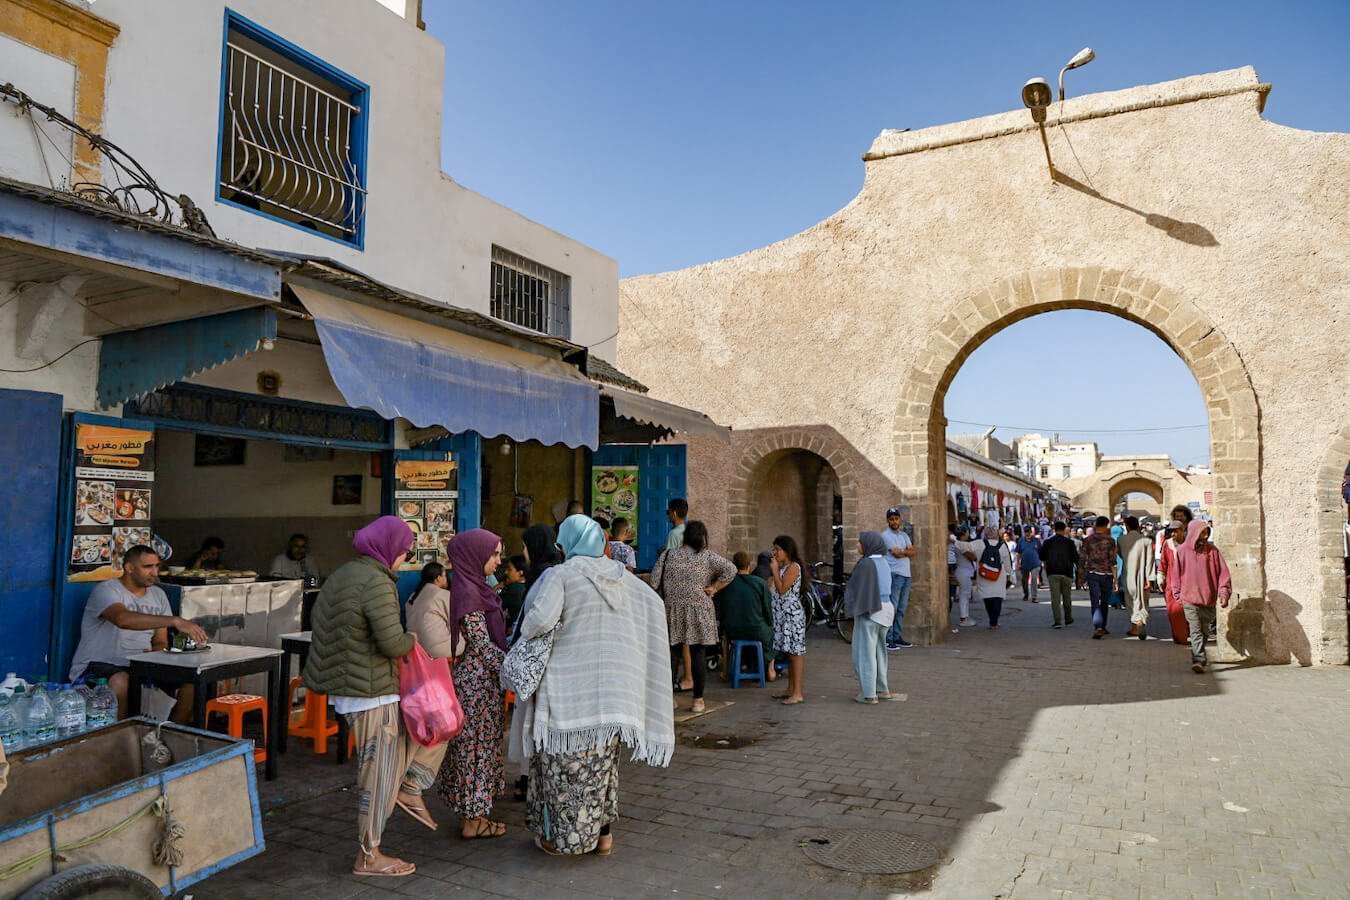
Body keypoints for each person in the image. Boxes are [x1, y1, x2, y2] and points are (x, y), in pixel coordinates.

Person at [512, 515, 674, 856]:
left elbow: (538, 622)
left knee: (565, 772)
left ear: (567, 544)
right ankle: (603, 836)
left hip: (571, 696)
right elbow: (654, 606)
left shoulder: (562, 577)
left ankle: (565, 842)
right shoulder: (627, 582)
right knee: (602, 770)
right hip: (615, 698)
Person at [303, 516, 433, 878]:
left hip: (350, 689)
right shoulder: (376, 582)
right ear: (388, 547)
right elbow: (392, 642)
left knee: (419, 741)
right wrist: (414, 640)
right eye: (405, 549)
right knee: (377, 775)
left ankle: (408, 787)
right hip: (371, 693)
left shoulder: (343, 574)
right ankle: (368, 854)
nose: (406, 556)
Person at [68, 545, 209, 722]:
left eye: (157, 566)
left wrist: (154, 654)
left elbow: (160, 641)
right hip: (97, 665)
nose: (154, 572)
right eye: (147, 567)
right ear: (129, 568)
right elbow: (122, 619)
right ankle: (121, 740)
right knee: (121, 680)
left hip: (139, 666)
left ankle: (166, 738)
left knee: (191, 682)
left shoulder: (158, 595)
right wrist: (175, 620)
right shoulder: (107, 590)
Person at [435, 529, 508, 840]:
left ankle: (475, 815)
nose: (499, 561)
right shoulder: (469, 593)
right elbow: (480, 643)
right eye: (494, 554)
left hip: (482, 681)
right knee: (476, 749)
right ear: (475, 555)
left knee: (478, 748)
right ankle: (473, 820)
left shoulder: (476, 587)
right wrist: (513, 669)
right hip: (478, 683)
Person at [651, 521, 736, 714]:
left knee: (672, 654)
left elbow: (654, 581)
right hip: (699, 610)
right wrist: (714, 587)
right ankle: (698, 700)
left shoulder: (668, 555)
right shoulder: (707, 556)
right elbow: (731, 570)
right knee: (698, 654)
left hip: (673, 610)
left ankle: (669, 698)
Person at [1169, 520, 1232, 674]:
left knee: (1204, 631)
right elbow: (1176, 576)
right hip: (1189, 599)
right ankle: (1198, 659)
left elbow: (1223, 574)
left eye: (1206, 533)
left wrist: (1223, 593)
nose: (1204, 536)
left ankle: (1199, 653)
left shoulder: (1213, 552)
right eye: (1201, 532)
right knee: (1195, 630)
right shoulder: (1183, 551)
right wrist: (1178, 596)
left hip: (1208, 599)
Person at [844, 532, 896, 703]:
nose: (858, 545)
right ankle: (882, 689)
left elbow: (859, 589)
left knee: (864, 654)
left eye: (860, 542)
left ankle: (868, 694)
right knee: (880, 652)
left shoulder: (866, 563)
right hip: (887, 610)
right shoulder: (885, 562)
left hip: (872, 611)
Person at [714, 551, 777, 679]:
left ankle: (741, 664)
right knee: (772, 633)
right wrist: (770, 624)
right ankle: (770, 668)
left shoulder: (726, 584)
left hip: (732, 631)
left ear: (734, 566)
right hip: (756, 630)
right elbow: (768, 610)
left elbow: (719, 609)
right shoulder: (760, 583)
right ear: (749, 565)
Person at [767, 534, 809, 705]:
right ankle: (790, 688)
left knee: (795, 654)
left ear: (787, 551)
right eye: (774, 549)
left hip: (792, 616)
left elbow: (783, 589)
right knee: (789, 654)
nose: (774, 553)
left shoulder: (794, 567)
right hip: (783, 616)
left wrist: (775, 571)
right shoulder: (785, 567)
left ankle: (797, 692)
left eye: (777, 549)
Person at [881, 508, 916, 651]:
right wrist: (905, 552)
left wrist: (904, 552)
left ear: (899, 519)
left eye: (896, 518)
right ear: (888, 521)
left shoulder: (903, 535)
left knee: (901, 608)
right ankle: (888, 639)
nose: (894, 521)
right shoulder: (885, 536)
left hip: (906, 575)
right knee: (892, 608)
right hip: (894, 574)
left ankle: (897, 636)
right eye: (891, 519)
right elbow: (897, 554)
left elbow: (913, 552)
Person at [1081, 517, 1119, 639]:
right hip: (1107, 575)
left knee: (1094, 601)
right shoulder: (1111, 541)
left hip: (1092, 574)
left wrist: (1080, 576)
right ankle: (1103, 626)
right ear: (1107, 525)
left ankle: (1098, 627)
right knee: (1104, 602)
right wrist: (1116, 579)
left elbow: (1082, 559)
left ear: (1096, 525)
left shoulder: (1088, 540)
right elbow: (1113, 561)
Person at [1118, 516, 1156, 639]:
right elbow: (1150, 561)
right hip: (1143, 577)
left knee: (1130, 601)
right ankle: (1141, 621)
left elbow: (1120, 555)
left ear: (1127, 526)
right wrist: (1150, 579)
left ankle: (1136, 625)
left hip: (1128, 575)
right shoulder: (1147, 541)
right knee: (1143, 602)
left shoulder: (1121, 540)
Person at [1158, 516, 1192, 644]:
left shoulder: (1190, 544)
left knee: (1186, 612)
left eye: (1176, 531)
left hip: (1187, 583)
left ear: (1182, 531)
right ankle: (1179, 636)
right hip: (1172, 583)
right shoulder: (1168, 544)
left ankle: (1183, 636)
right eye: (1171, 531)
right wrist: (1161, 577)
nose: (1173, 534)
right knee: (1174, 611)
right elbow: (1163, 562)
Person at [973, 526, 1014, 629]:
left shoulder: (980, 544)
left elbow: (969, 550)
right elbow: (1007, 562)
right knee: (997, 599)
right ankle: (994, 622)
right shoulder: (1002, 545)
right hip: (999, 575)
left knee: (987, 599)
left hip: (984, 575)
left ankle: (993, 621)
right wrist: (1010, 574)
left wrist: (954, 541)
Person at [1039, 522, 1078, 629]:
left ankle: (1057, 621)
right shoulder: (1069, 542)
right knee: (1067, 597)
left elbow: (1041, 556)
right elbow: (1075, 558)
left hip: (1052, 572)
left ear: (1054, 529)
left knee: (1055, 598)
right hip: (1067, 572)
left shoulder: (1048, 542)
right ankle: (1068, 618)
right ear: (1064, 529)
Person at [951, 526, 978, 628]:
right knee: (964, 595)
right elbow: (973, 557)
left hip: (964, 572)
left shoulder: (960, 544)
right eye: (967, 533)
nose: (968, 534)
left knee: (965, 595)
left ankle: (965, 616)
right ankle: (963, 618)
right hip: (963, 573)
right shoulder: (961, 546)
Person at [497, 555, 529, 633]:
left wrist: (495, 589)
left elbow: (496, 604)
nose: (506, 572)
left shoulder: (514, 589)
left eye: (509, 569)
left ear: (521, 573)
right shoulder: (526, 586)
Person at [1015, 527, 1043, 603]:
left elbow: (1041, 552)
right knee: (1024, 580)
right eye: (1026, 532)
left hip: (1035, 564)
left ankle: (1034, 597)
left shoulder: (1036, 541)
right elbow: (1018, 553)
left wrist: (1041, 562)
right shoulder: (1021, 541)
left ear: (1031, 532)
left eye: (1029, 532)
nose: (1027, 533)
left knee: (1034, 579)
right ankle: (1026, 594)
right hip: (1024, 564)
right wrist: (1018, 563)